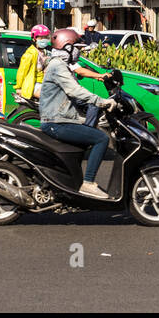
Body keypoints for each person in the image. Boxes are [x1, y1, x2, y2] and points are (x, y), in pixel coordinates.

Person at [38, 28, 117, 199]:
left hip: (60, 117)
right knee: (101, 138)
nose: (78, 53)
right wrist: (101, 101)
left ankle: (73, 182)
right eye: (77, 48)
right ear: (67, 48)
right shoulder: (58, 66)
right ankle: (88, 183)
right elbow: (74, 90)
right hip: (56, 121)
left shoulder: (60, 64)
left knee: (86, 137)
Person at [15, 24, 52, 101]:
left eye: (46, 37)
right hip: (34, 84)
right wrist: (18, 87)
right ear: (34, 39)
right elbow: (22, 71)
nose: (44, 40)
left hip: (43, 83)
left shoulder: (44, 52)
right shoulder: (30, 53)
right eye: (41, 38)